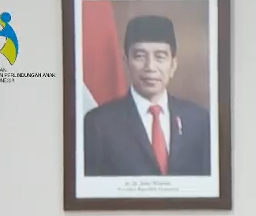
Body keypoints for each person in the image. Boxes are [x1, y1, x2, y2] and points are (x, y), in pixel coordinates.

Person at [82, 15, 212, 177]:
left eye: (160, 57)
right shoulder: (98, 123)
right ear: (126, 62)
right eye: (140, 56)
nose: (150, 67)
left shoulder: (199, 120)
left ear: (173, 65)